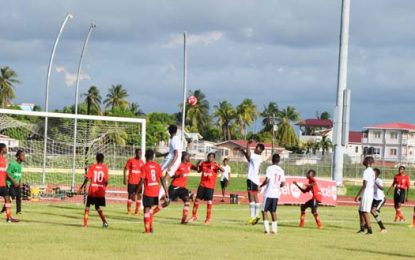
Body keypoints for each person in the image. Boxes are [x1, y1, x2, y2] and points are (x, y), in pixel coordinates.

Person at [188, 153, 223, 225]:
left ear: (214, 158)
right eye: (209, 157)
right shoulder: (204, 163)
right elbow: (198, 170)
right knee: (197, 200)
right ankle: (194, 216)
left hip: (210, 186)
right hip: (202, 185)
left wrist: (218, 165)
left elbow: (223, 170)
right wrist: (198, 164)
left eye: (212, 157)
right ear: (207, 157)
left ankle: (208, 218)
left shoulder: (215, 164)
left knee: (209, 202)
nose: (210, 158)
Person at [138, 149, 169, 233]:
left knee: (146, 209)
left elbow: (141, 180)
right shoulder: (157, 166)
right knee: (151, 208)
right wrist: (166, 191)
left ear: (145, 156)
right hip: (156, 190)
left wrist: (137, 192)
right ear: (153, 157)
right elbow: (162, 179)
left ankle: (147, 230)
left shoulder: (144, 166)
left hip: (148, 190)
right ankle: (151, 228)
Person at [165, 152, 199, 224]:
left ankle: (183, 220)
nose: (190, 157)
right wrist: (177, 176)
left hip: (182, 188)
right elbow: (171, 175)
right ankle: (153, 212)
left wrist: (198, 165)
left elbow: (198, 170)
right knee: (167, 203)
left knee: (187, 201)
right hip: (174, 186)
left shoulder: (189, 164)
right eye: (188, 156)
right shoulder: (178, 164)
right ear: (184, 157)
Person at [79, 153, 109, 228]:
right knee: (97, 207)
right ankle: (104, 222)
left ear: (96, 159)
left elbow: (87, 178)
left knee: (87, 206)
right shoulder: (105, 168)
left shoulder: (92, 167)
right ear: (103, 159)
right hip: (100, 190)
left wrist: (81, 187)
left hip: (92, 190)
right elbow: (106, 181)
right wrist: (104, 187)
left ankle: (85, 224)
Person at [239, 140, 265, 225]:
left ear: (259, 150)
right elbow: (249, 158)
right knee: (255, 197)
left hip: (251, 179)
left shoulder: (256, 156)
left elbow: (249, 155)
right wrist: (243, 151)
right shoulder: (257, 157)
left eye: (256, 147)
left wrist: (247, 144)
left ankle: (252, 217)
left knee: (251, 198)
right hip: (256, 180)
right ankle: (257, 216)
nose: (255, 148)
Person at [259, 154, 285, 234]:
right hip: (276, 194)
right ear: (279, 161)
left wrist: (261, 186)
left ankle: (266, 229)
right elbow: (283, 184)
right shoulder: (281, 170)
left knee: (264, 211)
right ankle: (274, 230)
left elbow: (267, 180)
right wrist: (277, 186)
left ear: (272, 160)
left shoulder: (269, 168)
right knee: (273, 211)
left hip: (269, 193)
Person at [354, 156, 375, 234]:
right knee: (360, 210)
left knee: (365, 211)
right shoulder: (371, 171)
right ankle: (362, 228)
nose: (363, 161)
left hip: (367, 192)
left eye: (365, 160)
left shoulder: (367, 171)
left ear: (368, 162)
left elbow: (365, 184)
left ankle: (369, 230)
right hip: (369, 192)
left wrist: (358, 195)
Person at [1, 150, 25, 215]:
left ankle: (18, 211)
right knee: (12, 197)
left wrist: (20, 182)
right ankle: (3, 210)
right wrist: (14, 181)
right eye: (22, 155)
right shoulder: (13, 164)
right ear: (18, 156)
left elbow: (19, 174)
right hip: (10, 183)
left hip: (17, 184)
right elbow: (7, 173)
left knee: (19, 197)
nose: (24, 157)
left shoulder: (20, 164)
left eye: (24, 155)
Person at [0, 143, 18, 223]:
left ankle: (9, 218)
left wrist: (8, 181)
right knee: (7, 199)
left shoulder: (3, 159)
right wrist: (13, 180)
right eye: (5, 148)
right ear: (2, 149)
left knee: (7, 199)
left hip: (2, 184)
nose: (6, 149)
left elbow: (4, 173)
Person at [123, 148, 144, 215]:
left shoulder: (142, 162)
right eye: (138, 153)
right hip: (131, 181)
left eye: (141, 153)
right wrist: (124, 178)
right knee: (130, 196)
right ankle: (129, 210)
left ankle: (137, 211)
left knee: (139, 195)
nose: (140, 154)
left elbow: (143, 172)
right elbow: (125, 169)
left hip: (139, 182)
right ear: (136, 153)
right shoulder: (131, 160)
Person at [371, 168, 386, 232]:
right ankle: (366, 226)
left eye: (373, 172)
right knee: (367, 211)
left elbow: (382, 188)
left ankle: (383, 228)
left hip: (380, 199)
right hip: (374, 198)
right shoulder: (371, 180)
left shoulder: (378, 180)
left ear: (376, 174)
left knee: (373, 211)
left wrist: (375, 182)